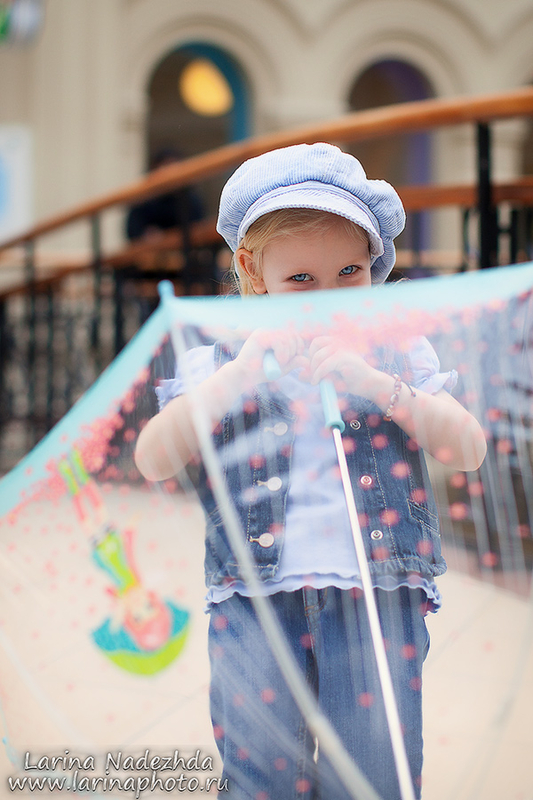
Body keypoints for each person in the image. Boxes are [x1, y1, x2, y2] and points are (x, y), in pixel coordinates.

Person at [135, 143, 487, 799]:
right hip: (252, 600)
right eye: (301, 279)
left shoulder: (395, 350)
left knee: (373, 774)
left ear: (372, 264)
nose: (327, 298)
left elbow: (467, 449)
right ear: (252, 269)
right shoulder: (222, 358)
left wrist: (381, 386)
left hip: (379, 592)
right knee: (260, 774)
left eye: (348, 272)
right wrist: (239, 377)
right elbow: (154, 457)